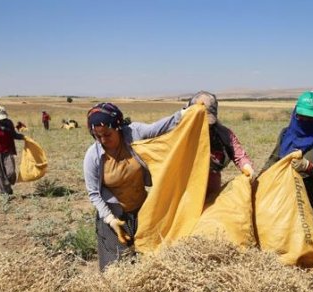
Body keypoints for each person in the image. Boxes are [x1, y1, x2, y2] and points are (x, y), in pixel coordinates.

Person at [83, 102, 185, 270]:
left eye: (107, 134)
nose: (103, 140)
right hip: (114, 216)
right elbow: (94, 193)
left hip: (142, 211)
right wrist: (110, 220)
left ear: (118, 127)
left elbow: (159, 128)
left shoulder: (133, 133)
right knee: (115, 267)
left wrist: (185, 113)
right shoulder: (93, 156)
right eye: (97, 135)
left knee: (149, 259)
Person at [261, 91, 313, 230]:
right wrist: (261, 178)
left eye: (311, 118)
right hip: (289, 190)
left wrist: (307, 166)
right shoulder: (286, 134)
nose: (306, 121)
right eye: (302, 117)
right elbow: (274, 159)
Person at [187, 91, 254, 197]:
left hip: (211, 191)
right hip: (185, 191)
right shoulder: (179, 132)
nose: (204, 125)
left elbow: (240, 156)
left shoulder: (223, 134)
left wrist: (247, 167)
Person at [0, 106, 25, 195]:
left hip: (7, 151)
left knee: (10, 172)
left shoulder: (9, 123)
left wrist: (23, 137)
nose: (2, 120)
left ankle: (7, 187)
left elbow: (14, 134)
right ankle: (5, 192)